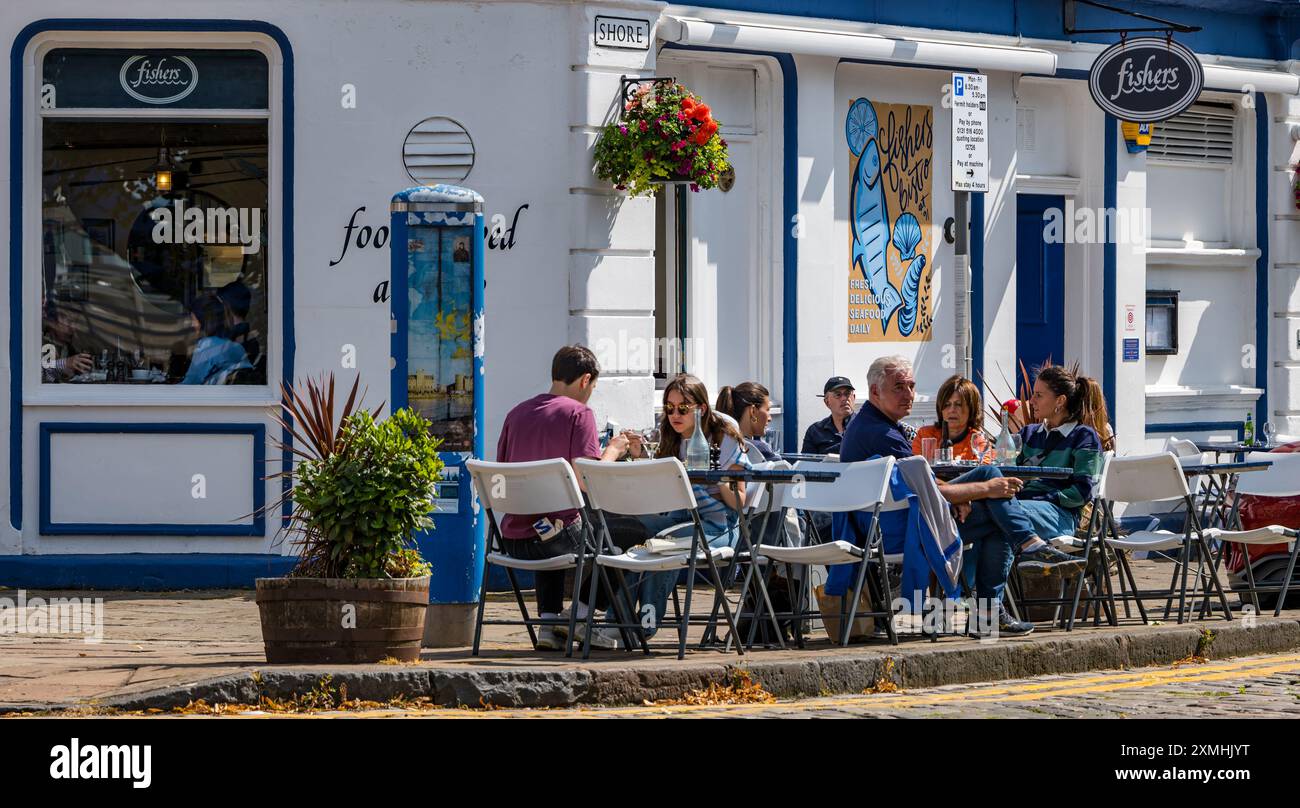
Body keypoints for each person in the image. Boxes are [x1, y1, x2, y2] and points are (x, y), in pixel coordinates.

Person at [836, 355, 1084, 637]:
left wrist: (966, 496)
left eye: (911, 386)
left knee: (991, 486)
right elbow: (932, 490)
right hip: (907, 532)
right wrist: (982, 492)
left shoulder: (869, 425)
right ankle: (1000, 594)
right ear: (875, 392)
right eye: (899, 387)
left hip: (884, 527)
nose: (909, 395)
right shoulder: (883, 433)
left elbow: (925, 484)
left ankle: (1020, 557)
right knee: (994, 505)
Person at [493, 345, 631, 650]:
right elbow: (588, 481)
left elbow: (501, 475)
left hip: (513, 540)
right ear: (585, 380)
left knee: (551, 522)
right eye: (593, 386)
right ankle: (579, 619)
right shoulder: (580, 414)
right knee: (620, 548)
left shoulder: (516, 414)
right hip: (555, 539)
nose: (591, 393)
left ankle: (548, 626)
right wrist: (614, 450)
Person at [626, 373, 750, 636]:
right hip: (680, 519)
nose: (674, 414)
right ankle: (617, 618)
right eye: (669, 408)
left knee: (664, 545)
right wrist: (642, 459)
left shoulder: (724, 435)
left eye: (683, 407)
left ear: (701, 408)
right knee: (628, 532)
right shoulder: (671, 437)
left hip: (719, 528)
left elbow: (739, 501)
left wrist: (716, 478)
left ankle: (644, 626)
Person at [1016, 364, 1108, 539]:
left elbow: (1083, 491)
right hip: (1020, 507)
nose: (1031, 401)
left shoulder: (1083, 437)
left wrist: (1044, 498)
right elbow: (1005, 470)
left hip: (1060, 515)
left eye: (1039, 395)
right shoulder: (1027, 434)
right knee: (986, 518)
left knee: (1001, 514)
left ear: (1060, 400)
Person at [912, 375, 986, 461]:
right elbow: (917, 469)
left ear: (971, 408)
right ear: (940, 408)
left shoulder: (978, 439)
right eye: (947, 404)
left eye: (958, 404)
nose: (952, 410)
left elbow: (984, 470)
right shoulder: (925, 436)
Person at [181, 294, 251, 385]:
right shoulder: (237, 347)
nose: (192, 324)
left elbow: (190, 384)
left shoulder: (207, 345)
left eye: (193, 319)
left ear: (203, 320)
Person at [717, 382, 778, 461]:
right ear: (753, 411)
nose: (770, 418)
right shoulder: (760, 449)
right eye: (767, 410)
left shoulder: (721, 446)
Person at [40, 300, 92, 383]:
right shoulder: (38, 341)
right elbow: (37, 373)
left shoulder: (65, 344)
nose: (73, 327)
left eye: (75, 322)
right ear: (52, 322)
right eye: (69, 321)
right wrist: (64, 363)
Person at [801, 376, 855, 455]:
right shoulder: (815, 431)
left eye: (847, 394)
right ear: (827, 402)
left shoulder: (866, 426)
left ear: (853, 398)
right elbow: (806, 464)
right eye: (838, 394)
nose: (844, 398)